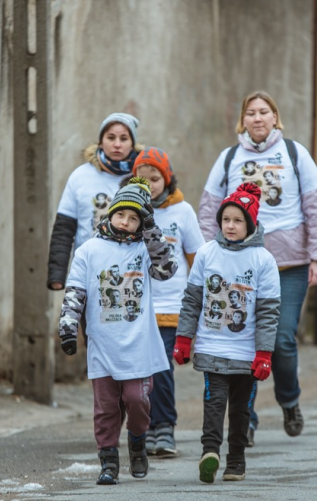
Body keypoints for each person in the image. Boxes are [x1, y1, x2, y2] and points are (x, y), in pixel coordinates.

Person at [198, 90, 317, 446]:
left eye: (264, 112)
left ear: (276, 118)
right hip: (237, 269)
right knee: (243, 344)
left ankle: (289, 400)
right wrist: (205, 257)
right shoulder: (228, 158)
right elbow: (208, 208)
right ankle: (248, 421)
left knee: (281, 339)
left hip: (288, 265)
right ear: (243, 120)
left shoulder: (294, 153)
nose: (257, 118)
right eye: (251, 113)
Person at [58, 176, 178, 486]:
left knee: (137, 400)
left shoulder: (144, 249)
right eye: (121, 214)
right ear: (110, 213)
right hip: (103, 342)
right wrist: (68, 327)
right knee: (106, 407)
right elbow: (75, 291)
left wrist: (151, 228)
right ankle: (108, 461)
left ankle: (137, 441)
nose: (126, 222)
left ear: (142, 223)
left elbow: (166, 270)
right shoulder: (88, 250)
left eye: (134, 217)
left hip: (138, 343)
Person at [174, 182, 280, 483]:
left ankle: (236, 460)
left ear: (251, 224)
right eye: (226, 219)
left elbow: (268, 312)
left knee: (241, 409)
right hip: (212, 347)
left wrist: (264, 353)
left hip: (247, 353)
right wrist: (184, 338)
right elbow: (193, 299)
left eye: (238, 220)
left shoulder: (264, 261)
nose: (230, 226)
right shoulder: (207, 253)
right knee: (214, 401)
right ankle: (210, 452)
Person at [130, 147, 205, 458]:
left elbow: (197, 258)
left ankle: (165, 427)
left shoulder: (182, 211)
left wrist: (198, 303)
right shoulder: (127, 211)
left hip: (172, 305)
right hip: (138, 307)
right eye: (142, 178)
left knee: (161, 367)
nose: (149, 183)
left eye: (155, 177)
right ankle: (144, 428)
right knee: (140, 371)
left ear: (167, 178)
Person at [48, 112, 144, 349]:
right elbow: (64, 227)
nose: (117, 144)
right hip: (91, 273)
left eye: (124, 138)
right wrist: (57, 274)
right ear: (101, 142)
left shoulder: (141, 176)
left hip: (132, 275)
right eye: (111, 137)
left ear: (133, 143)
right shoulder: (81, 177)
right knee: (96, 342)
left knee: (130, 344)